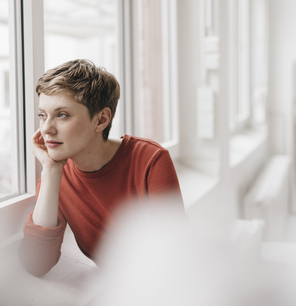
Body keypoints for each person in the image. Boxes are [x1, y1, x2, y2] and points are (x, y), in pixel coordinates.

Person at [18, 59, 184, 277]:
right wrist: (49, 170)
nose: (46, 128)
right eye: (42, 115)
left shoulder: (150, 160)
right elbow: (36, 265)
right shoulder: (56, 175)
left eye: (62, 114)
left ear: (101, 120)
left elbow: (175, 256)